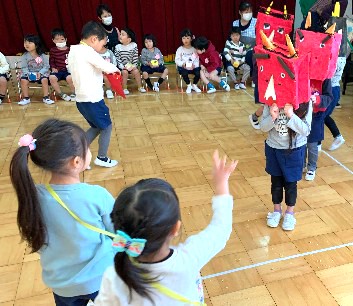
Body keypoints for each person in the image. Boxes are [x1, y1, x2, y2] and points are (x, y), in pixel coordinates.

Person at [94, 150, 237, 305]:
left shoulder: (113, 277)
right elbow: (220, 229)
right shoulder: (189, 258)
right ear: (176, 228)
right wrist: (222, 185)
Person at [9, 118, 116, 305]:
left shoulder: (34, 196)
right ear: (76, 162)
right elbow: (116, 231)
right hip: (100, 278)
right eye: (88, 149)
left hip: (62, 284)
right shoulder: (97, 195)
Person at [68, 21, 120, 168]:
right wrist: (116, 71)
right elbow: (105, 66)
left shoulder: (74, 50)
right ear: (94, 39)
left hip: (81, 100)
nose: (102, 48)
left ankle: (77, 154)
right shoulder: (88, 52)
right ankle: (101, 157)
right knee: (107, 126)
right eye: (102, 44)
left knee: (97, 127)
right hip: (93, 99)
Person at [261, 102, 313, 231]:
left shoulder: (305, 100)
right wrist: (272, 117)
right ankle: (277, 210)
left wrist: (291, 115)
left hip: (294, 149)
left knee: (290, 184)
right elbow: (263, 127)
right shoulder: (270, 99)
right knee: (276, 182)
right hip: (274, 147)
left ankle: (289, 213)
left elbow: (306, 130)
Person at [18, 34, 54, 106]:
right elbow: (24, 67)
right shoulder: (24, 56)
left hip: (41, 73)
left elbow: (46, 66)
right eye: (25, 42)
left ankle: (46, 97)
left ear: (36, 45)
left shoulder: (42, 55)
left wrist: (40, 73)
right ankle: (26, 98)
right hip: (29, 73)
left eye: (30, 42)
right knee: (23, 80)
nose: (27, 44)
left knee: (44, 80)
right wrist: (28, 74)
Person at [115, 28, 146, 95]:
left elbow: (135, 57)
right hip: (123, 67)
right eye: (120, 34)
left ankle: (140, 87)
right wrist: (122, 67)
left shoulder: (134, 45)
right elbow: (118, 59)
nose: (120, 36)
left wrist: (133, 66)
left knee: (136, 72)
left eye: (123, 35)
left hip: (131, 65)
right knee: (124, 72)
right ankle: (124, 88)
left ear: (129, 39)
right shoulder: (118, 47)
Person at [232, 1, 257, 85]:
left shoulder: (256, 22)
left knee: (250, 55)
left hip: (253, 49)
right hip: (239, 49)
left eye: (250, 12)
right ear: (240, 12)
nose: (249, 14)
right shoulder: (235, 23)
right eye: (246, 12)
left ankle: (254, 78)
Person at [49, 28, 76, 102]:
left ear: (66, 39)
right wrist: (53, 68)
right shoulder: (53, 50)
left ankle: (74, 93)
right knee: (52, 78)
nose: (60, 41)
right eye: (57, 39)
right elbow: (51, 61)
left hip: (68, 70)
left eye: (62, 39)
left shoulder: (70, 49)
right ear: (53, 40)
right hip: (58, 70)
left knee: (70, 78)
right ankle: (61, 94)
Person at [175, 28, 202, 94]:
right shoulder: (180, 49)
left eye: (187, 38)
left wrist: (194, 66)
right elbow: (177, 60)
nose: (185, 40)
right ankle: (189, 85)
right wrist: (183, 64)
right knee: (184, 73)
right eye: (183, 38)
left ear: (191, 38)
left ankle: (194, 85)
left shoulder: (194, 49)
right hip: (183, 66)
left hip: (193, 66)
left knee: (199, 73)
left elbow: (197, 60)